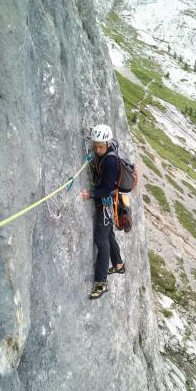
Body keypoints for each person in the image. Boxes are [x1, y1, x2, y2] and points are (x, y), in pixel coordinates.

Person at [81, 124, 125, 299]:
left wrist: (91, 194)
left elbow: (107, 188)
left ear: (107, 144)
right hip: (107, 201)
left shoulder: (111, 161)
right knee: (108, 235)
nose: (98, 149)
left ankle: (101, 283)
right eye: (95, 146)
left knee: (101, 240)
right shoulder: (105, 152)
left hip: (107, 203)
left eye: (101, 146)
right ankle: (118, 264)